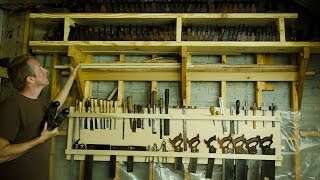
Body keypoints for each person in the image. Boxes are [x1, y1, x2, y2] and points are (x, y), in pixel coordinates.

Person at [0, 55, 79, 180]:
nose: (46, 70)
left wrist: (72, 76)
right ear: (31, 79)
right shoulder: (11, 106)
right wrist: (40, 140)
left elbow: (56, 104)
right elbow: (1, 154)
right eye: (40, 68)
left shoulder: (40, 103)